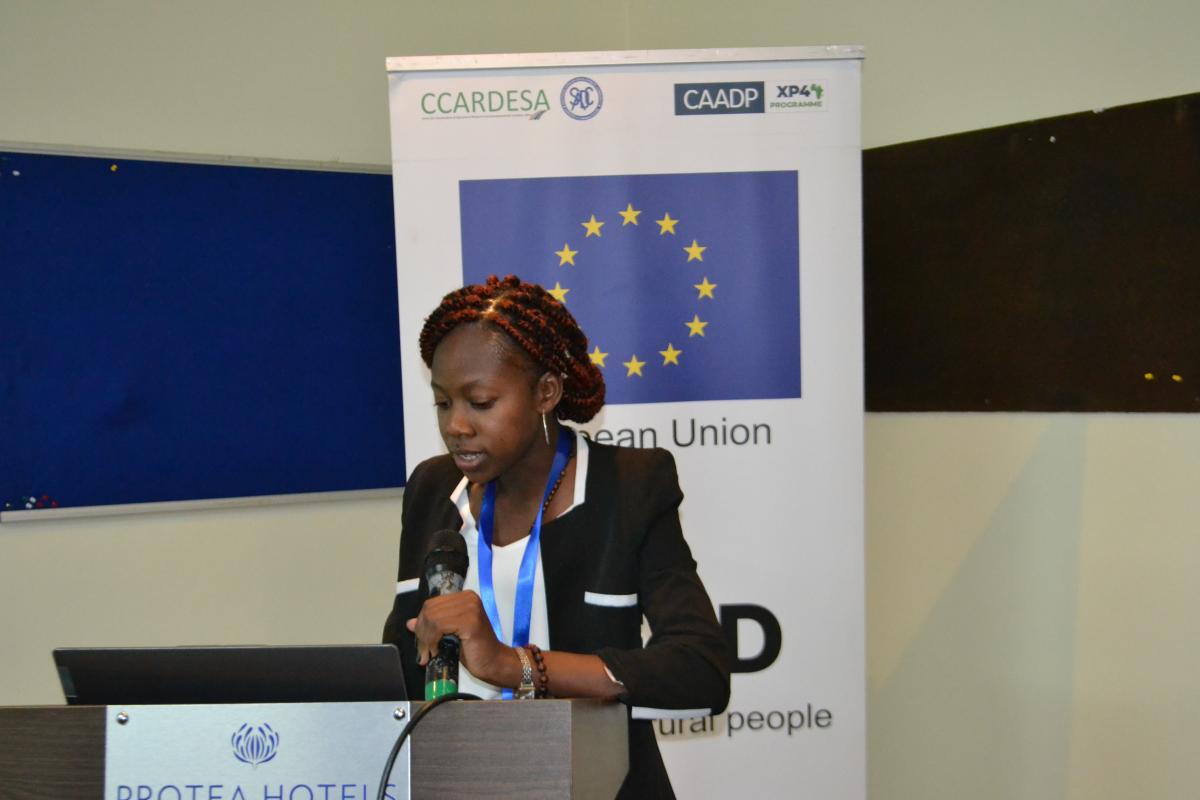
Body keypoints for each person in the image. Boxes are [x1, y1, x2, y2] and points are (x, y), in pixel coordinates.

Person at [382, 275, 730, 798]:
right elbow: (398, 668)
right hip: (457, 784)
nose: (456, 425)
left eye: (480, 402)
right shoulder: (432, 489)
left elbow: (699, 671)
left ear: (545, 393)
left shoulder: (628, 487)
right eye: (443, 403)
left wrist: (514, 665)